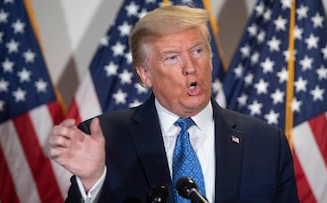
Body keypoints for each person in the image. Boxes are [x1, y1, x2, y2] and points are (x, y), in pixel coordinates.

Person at [48, 5, 299, 203]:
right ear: (145, 74)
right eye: (172, 58)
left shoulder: (267, 143)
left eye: (198, 51)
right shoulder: (105, 139)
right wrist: (93, 181)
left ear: (210, 60)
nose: (190, 67)